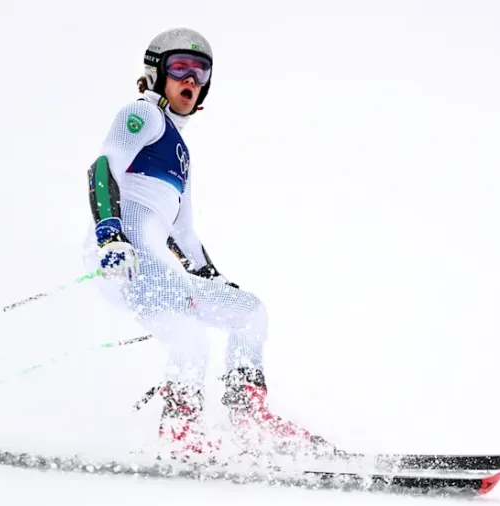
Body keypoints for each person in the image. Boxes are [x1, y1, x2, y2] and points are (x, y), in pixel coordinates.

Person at [82, 28, 333, 460]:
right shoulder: (139, 114)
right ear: (156, 73)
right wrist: (109, 234)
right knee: (190, 336)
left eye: (200, 73)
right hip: (122, 257)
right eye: (180, 68)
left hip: (159, 262)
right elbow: (103, 166)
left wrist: (214, 278)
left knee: (249, 312)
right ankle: (180, 430)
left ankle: (247, 412)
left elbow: (184, 235)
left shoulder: (180, 150)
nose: (191, 81)